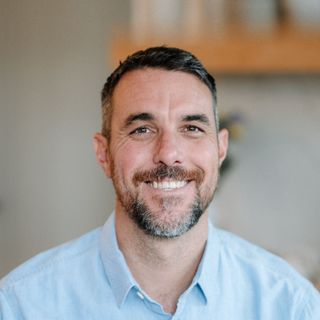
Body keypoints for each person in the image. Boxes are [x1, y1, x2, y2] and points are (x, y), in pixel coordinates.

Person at [0, 46, 319, 319]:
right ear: (104, 154)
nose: (168, 154)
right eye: (142, 130)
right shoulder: (23, 305)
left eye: (192, 128)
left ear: (220, 149)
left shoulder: (290, 305)